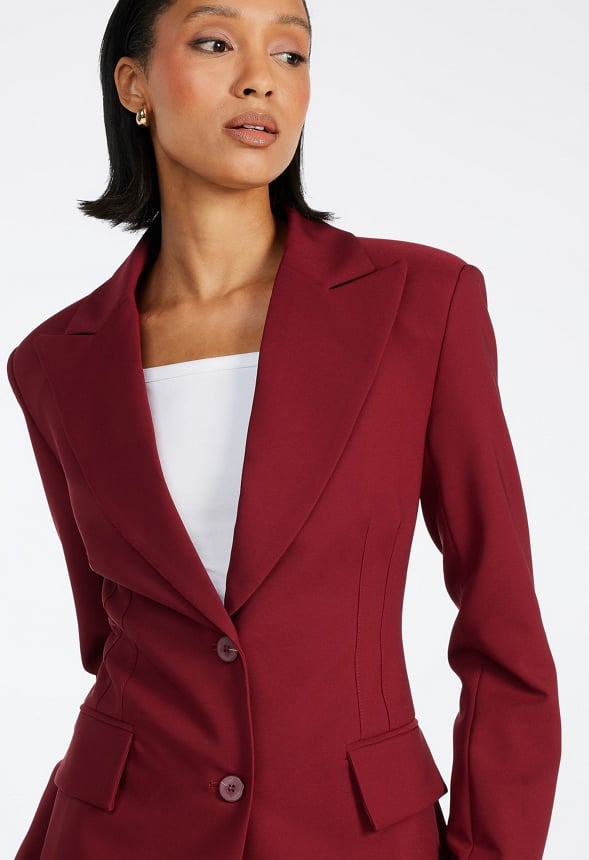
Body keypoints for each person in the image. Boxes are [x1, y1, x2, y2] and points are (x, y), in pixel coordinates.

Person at [7, 0, 560, 858]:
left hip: (353, 832)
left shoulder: (420, 303)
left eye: (290, 54)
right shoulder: (54, 362)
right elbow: (109, 636)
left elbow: (503, 626)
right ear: (133, 84)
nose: (260, 78)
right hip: (118, 832)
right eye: (215, 42)